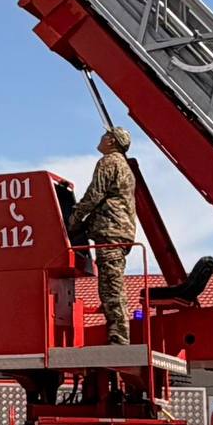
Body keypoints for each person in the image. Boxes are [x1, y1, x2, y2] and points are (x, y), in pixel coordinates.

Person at [67, 126, 140, 345]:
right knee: (113, 281)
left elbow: (94, 194)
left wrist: (75, 218)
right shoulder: (124, 166)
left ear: (112, 141)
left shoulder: (109, 162)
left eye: (105, 135)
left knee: (111, 285)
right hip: (119, 230)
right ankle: (119, 333)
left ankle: (119, 336)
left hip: (110, 231)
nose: (101, 137)